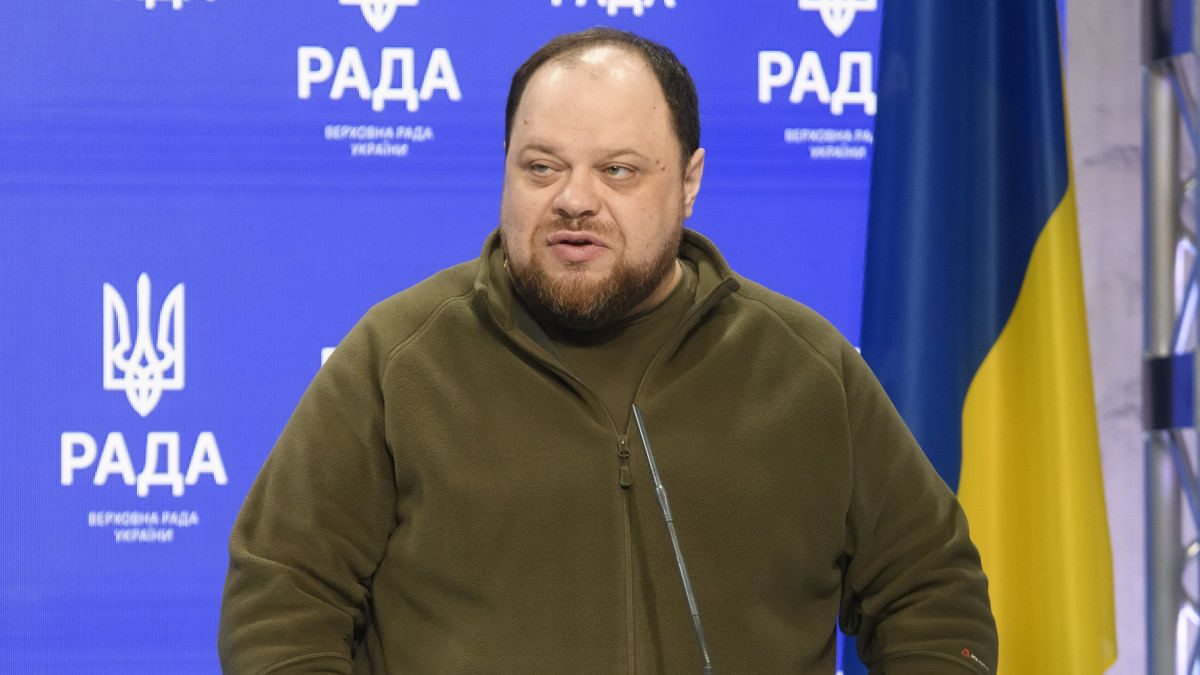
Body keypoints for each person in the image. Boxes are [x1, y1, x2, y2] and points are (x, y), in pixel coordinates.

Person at [219, 27, 997, 674]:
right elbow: (281, 599)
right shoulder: (399, 358)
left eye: (618, 170)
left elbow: (932, 592)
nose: (574, 199)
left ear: (689, 181)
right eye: (541, 167)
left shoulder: (803, 367)